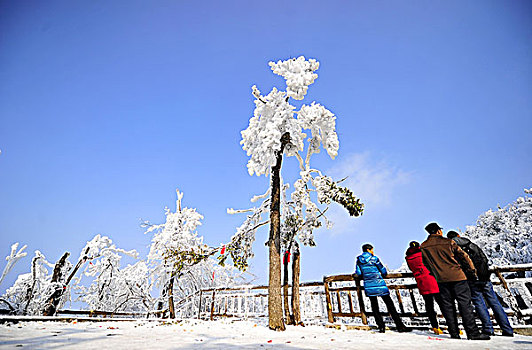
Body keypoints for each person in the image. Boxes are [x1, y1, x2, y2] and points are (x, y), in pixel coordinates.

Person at [421, 222, 489, 340]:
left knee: (447, 306)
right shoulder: (448, 242)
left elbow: (426, 264)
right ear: (438, 231)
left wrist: (436, 274)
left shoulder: (424, 246)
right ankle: (472, 333)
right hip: (458, 277)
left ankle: (454, 333)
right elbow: (464, 257)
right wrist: (472, 272)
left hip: (441, 280)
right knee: (465, 305)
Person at [447, 230, 514, 337]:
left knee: (479, 303)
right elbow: (484, 258)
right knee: (495, 303)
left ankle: (488, 329)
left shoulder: (453, 248)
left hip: (471, 278)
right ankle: (507, 329)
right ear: (459, 235)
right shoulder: (471, 244)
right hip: (484, 277)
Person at [355, 243, 411, 333]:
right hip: (379, 284)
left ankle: (381, 327)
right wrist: (383, 274)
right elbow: (383, 270)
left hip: (369, 286)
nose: (373, 251)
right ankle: (400, 326)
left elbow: (358, 273)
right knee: (390, 305)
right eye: (372, 250)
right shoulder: (374, 259)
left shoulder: (359, 260)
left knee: (374, 306)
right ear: (369, 250)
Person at [405, 241, 443, 334]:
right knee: (443, 304)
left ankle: (435, 327)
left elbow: (411, 269)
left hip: (422, 283)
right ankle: (452, 326)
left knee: (429, 306)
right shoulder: (423, 253)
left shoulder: (408, 258)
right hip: (432, 280)